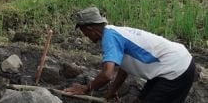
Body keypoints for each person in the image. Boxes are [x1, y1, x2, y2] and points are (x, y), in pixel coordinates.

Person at [65, 7, 195, 102]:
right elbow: (124, 69)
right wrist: (113, 90)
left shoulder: (110, 38)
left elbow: (106, 75)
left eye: (84, 32)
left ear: (90, 29)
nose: (85, 36)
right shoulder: (113, 33)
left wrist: (86, 89)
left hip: (176, 69)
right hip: (169, 67)